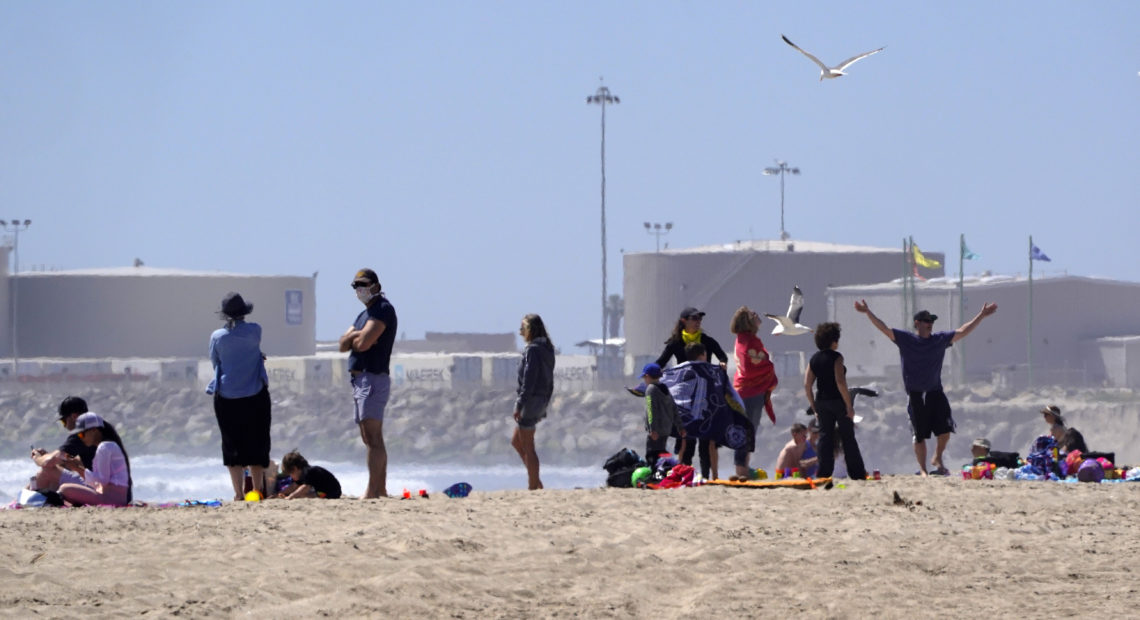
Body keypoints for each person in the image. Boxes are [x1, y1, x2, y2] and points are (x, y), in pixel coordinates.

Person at [855, 300, 998, 476]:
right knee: (919, 434)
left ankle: (937, 457)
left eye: (932, 322)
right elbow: (884, 329)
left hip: (935, 392)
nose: (930, 324)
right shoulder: (906, 339)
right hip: (915, 394)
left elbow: (962, 331)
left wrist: (981, 315)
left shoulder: (939, 340)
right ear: (917, 323)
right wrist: (868, 312)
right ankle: (923, 469)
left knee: (945, 430)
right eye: (927, 321)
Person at [339, 268, 398, 499]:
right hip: (360, 378)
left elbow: (363, 344)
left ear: (375, 286)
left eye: (362, 285)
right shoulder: (364, 315)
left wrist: (357, 338)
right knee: (369, 437)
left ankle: (373, 490)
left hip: (372, 376)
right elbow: (343, 344)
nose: (359, 290)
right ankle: (380, 489)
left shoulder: (382, 309)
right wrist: (356, 337)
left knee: (372, 437)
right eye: (355, 285)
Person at [208, 292, 272, 501]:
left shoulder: (217, 337)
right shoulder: (255, 330)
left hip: (227, 395)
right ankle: (257, 490)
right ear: (244, 312)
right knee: (258, 442)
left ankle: (238, 494)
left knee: (231, 444)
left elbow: (216, 363)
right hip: (254, 393)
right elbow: (253, 348)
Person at [803, 322, 867, 481]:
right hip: (838, 402)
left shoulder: (814, 359)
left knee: (825, 437)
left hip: (822, 402)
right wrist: (848, 405)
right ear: (833, 341)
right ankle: (857, 473)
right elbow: (840, 381)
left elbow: (807, 384)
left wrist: (813, 406)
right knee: (847, 436)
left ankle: (824, 473)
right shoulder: (837, 357)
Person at [729, 306, 778, 479]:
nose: (757, 314)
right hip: (749, 391)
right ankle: (741, 470)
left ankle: (743, 468)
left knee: (748, 430)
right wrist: (769, 367)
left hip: (745, 390)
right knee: (746, 430)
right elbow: (752, 365)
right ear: (747, 322)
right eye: (752, 314)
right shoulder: (747, 341)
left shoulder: (744, 339)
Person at [512, 313, 555, 490]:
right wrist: (544, 404)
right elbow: (550, 380)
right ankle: (536, 482)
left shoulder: (533, 350)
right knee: (516, 441)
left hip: (530, 401)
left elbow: (529, 379)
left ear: (530, 330)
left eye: (523, 328)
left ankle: (533, 488)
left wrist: (520, 404)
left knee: (529, 448)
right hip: (541, 399)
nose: (520, 332)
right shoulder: (547, 349)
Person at [56, 413, 133, 506]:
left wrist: (77, 468)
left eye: (81, 434)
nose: (81, 438)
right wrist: (76, 467)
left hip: (111, 499)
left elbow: (102, 481)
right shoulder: (108, 445)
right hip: (114, 497)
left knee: (65, 488)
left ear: (93, 430)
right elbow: (100, 481)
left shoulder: (104, 447)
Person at [641, 362, 684, 470]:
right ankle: (668, 468)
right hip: (666, 429)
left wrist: (652, 429)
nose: (644, 380)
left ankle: (659, 473)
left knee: (652, 454)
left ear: (647, 376)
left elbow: (651, 410)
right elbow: (674, 407)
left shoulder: (651, 389)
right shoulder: (664, 388)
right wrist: (680, 426)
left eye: (644, 377)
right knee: (660, 452)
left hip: (656, 430)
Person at [655, 307, 729, 369]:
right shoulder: (675, 342)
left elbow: (722, 356)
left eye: (700, 318)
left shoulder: (707, 340)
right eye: (694, 318)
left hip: (705, 381)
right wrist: (651, 370)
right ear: (684, 321)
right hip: (685, 382)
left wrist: (723, 362)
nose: (698, 321)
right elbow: (661, 362)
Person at [277, 450, 342, 499]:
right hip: (322, 491)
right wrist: (279, 493)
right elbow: (294, 486)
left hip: (332, 492)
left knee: (304, 495)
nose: (291, 476)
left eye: (291, 474)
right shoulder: (301, 474)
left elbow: (304, 488)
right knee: (301, 494)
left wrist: (290, 497)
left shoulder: (309, 471)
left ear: (295, 468)